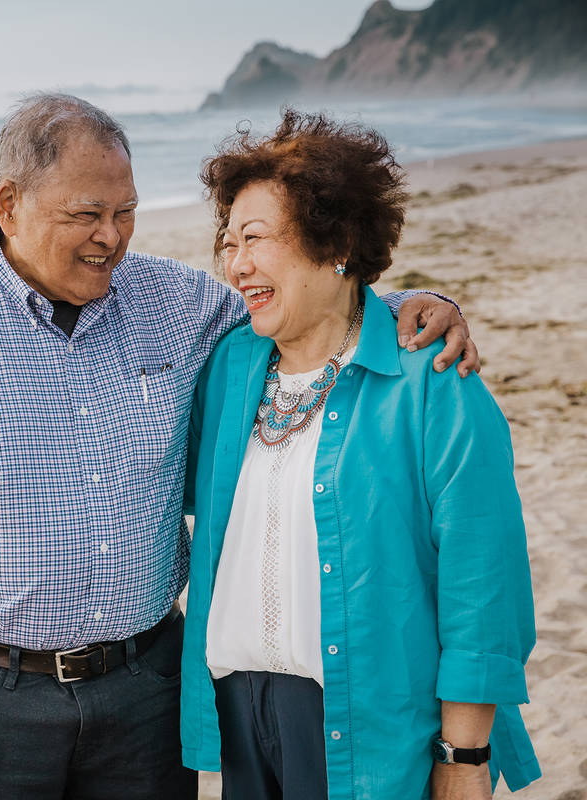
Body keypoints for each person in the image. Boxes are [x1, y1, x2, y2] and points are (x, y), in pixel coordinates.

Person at [0, 94, 473, 800]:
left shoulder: (179, 302)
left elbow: (304, 306)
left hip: (148, 688)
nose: (112, 237)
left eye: (126, 212)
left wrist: (407, 304)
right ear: (9, 204)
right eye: (87, 215)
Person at [178, 110, 540, 800]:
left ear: (335, 240)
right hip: (238, 719)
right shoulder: (229, 366)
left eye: (255, 238)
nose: (236, 264)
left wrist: (464, 759)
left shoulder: (433, 383)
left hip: (371, 725)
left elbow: (481, 582)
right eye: (228, 243)